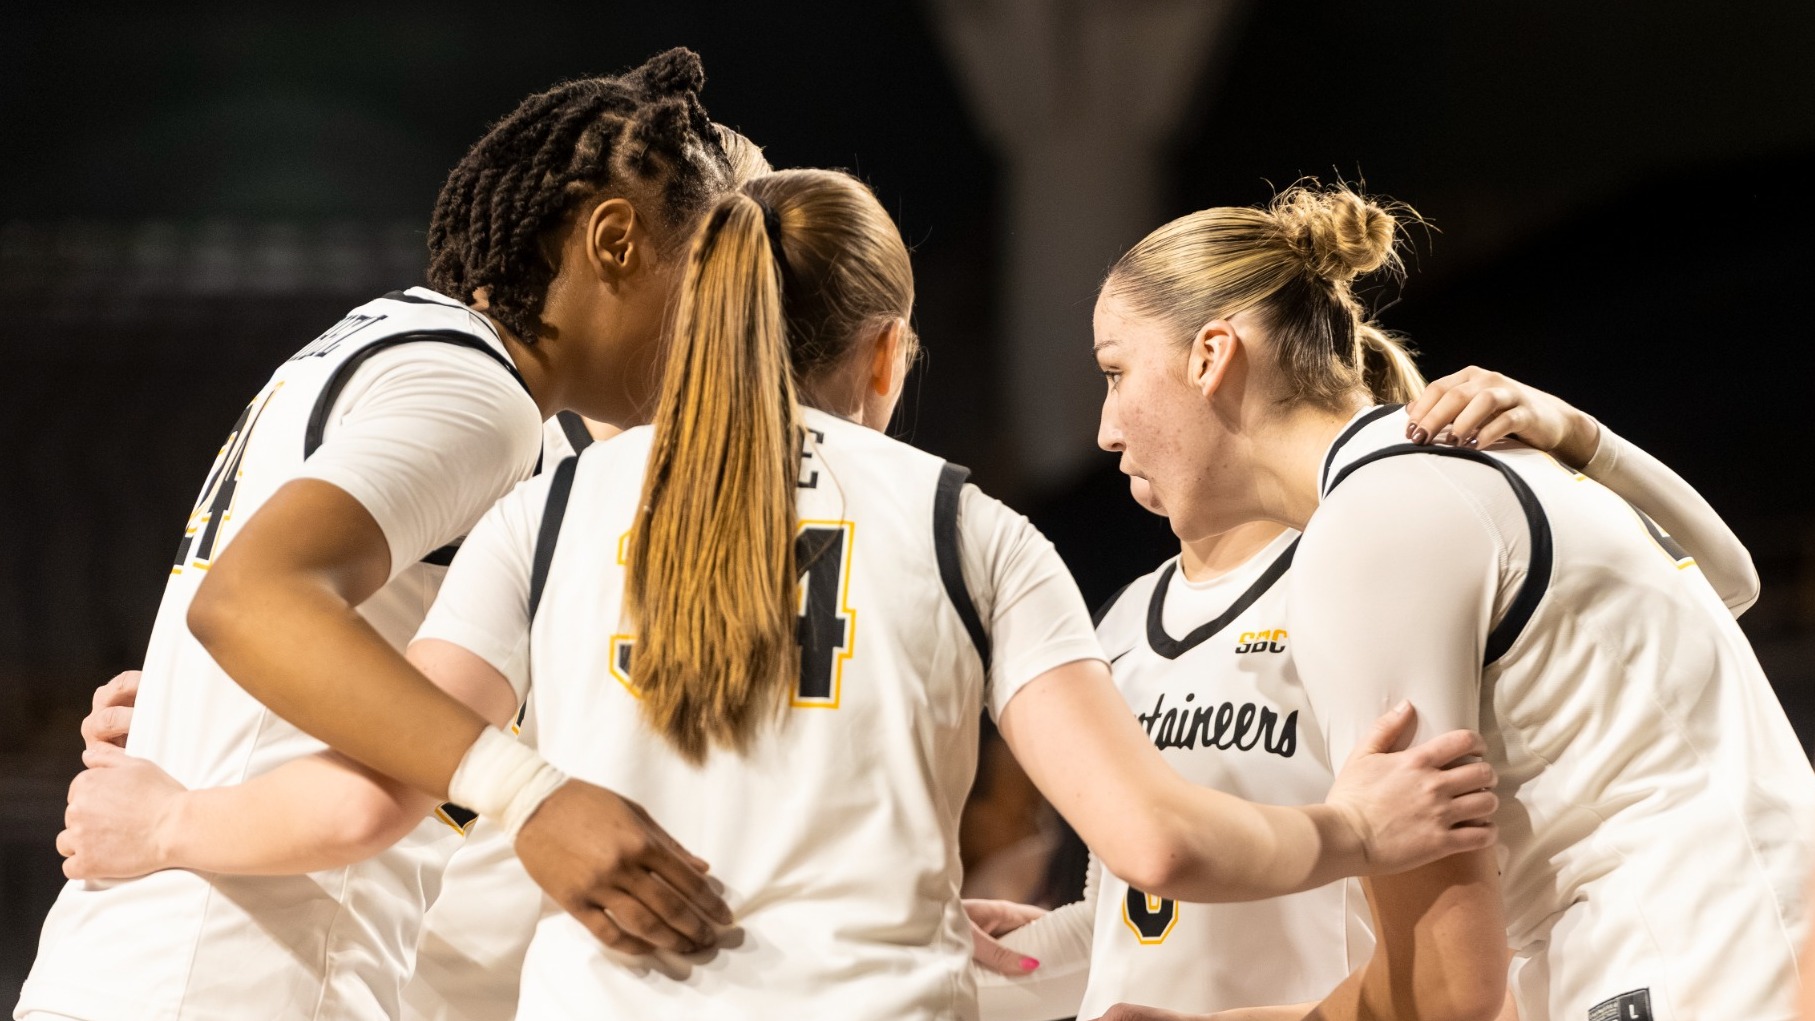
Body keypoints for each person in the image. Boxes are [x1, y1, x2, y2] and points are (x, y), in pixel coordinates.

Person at [392, 167, 1500, 1020]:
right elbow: (1156, 843)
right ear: (886, 356)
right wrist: (1353, 826)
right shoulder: (967, 526)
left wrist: (521, 796)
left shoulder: (548, 509)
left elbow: (382, 766)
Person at [19, 50, 749, 1021]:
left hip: (132, 962)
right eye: (712, 284)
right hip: (240, 974)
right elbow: (249, 601)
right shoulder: (483, 396)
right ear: (614, 240)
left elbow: (261, 615)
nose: (721, 332)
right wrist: (531, 795)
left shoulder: (387, 345)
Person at [1072, 182, 1812, 1019]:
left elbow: (1442, 990)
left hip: (1687, 960)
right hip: (1744, 933)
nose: (1105, 428)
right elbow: (1733, 580)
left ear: (1210, 356)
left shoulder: (1375, 519)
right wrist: (1580, 433)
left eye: (1114, 371)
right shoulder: (1483, 459)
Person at [966, 363, 1765, 1021]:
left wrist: (1575, 433)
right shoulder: (1122, 621)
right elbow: (1133, 905)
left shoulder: (1371, 572)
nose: (1104, 429)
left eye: (1115, 370)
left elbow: (1447, 966)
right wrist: (1012, 959)